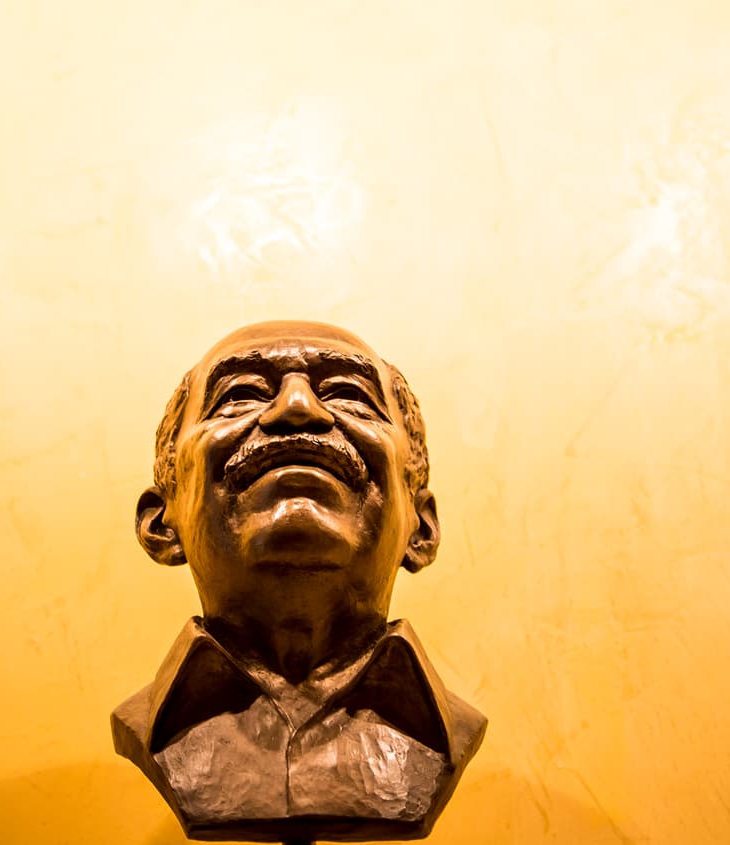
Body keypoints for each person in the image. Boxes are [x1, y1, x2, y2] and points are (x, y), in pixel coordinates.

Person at [111, 321, 486, 842]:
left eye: (351, 396)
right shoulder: (142, 727)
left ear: (421, 528)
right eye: (238, 395)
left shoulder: (455, 733)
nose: (297, 408)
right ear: (159, 525)